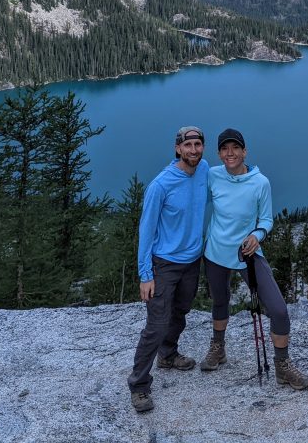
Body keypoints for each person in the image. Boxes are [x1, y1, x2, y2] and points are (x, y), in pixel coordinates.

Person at [199, 128, 308, 390]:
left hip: (247, 253)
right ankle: (219, 348)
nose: (230, 154)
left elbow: (266, 219)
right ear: (219, 153)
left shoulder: (260, 182)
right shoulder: (213, 176)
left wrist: (257, 234)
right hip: (215, 252)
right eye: (225, 149)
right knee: (220, 301)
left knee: (279, 311)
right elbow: (194, 199)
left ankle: (282, 366)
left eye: (235, 148)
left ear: (244, 151)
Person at [127, 125, 209, 413]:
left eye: (198, 144)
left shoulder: (204, 170)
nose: (194, 151)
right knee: (156, 324)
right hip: (164, 264)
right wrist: (145, 274)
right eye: (188, 146)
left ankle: (168, 354)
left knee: (180, 311)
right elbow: (146, 231)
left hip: (191, 262)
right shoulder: (160, 185)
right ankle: (139, 385)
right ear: (177, 148)